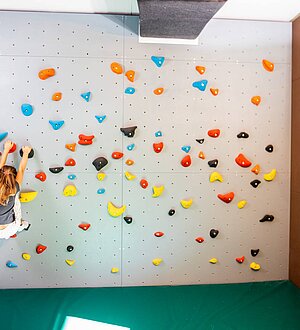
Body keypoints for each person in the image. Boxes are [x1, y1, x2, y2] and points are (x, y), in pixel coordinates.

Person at [0, 140, 32, 239]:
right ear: (13, 179)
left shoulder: (15, 186)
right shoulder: (15, 187)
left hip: (7, 229)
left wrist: (6, 150)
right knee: (15, 201)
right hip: (10, 229)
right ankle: (21, 225)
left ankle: (22, 225)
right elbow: (21, 169)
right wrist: (26, 152)